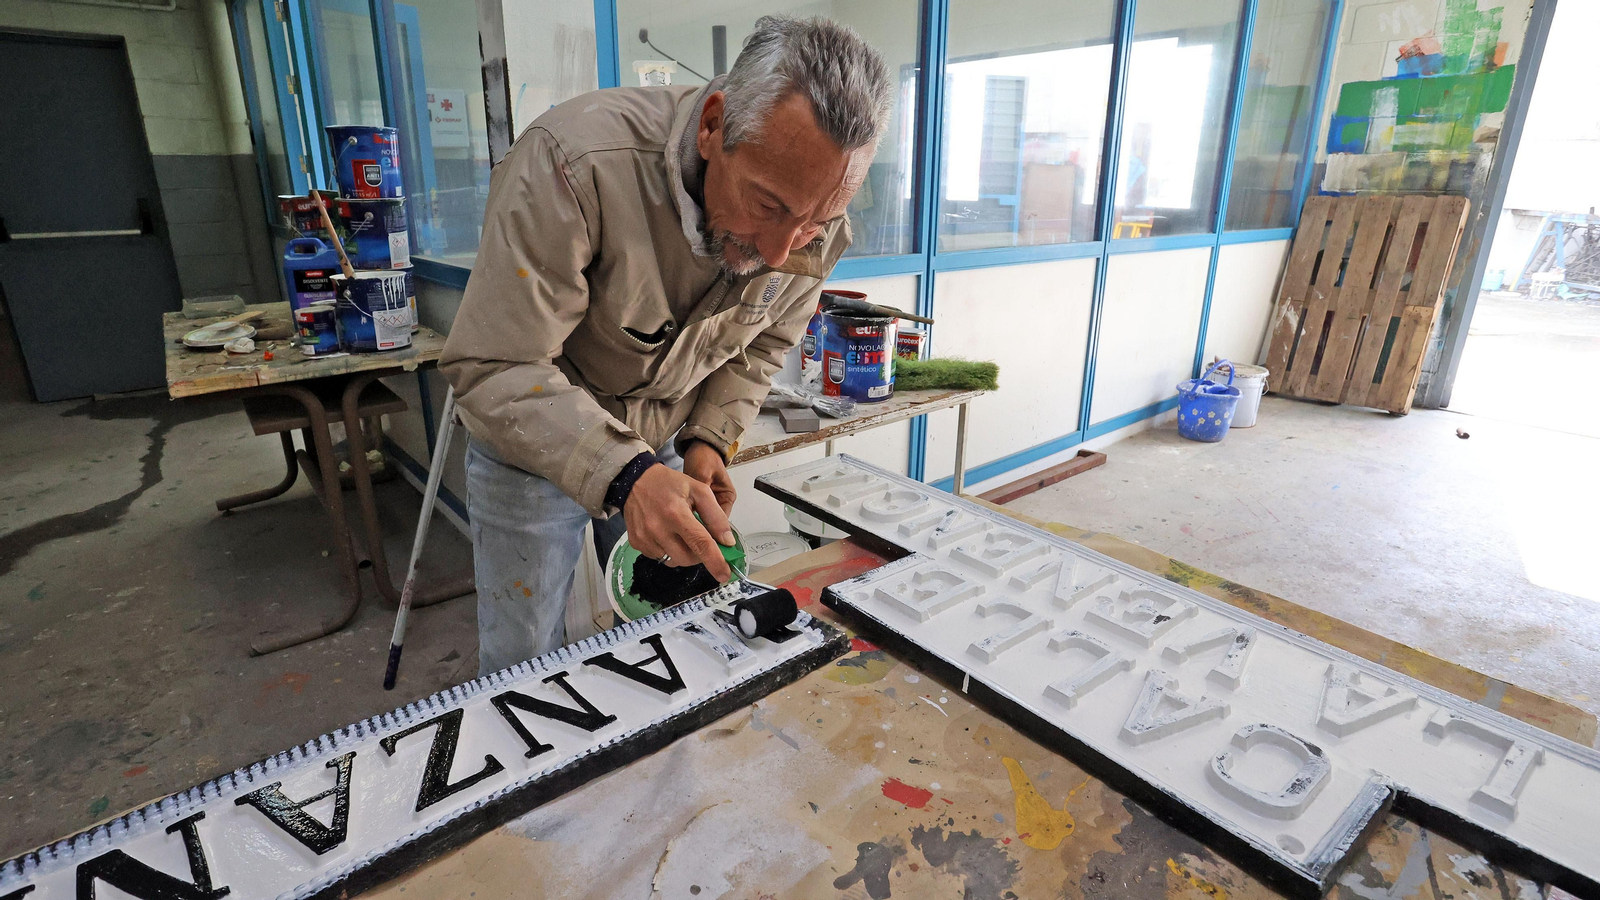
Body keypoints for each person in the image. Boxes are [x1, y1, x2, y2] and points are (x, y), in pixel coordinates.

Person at [439, 15, 893, 675]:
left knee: (677, 634)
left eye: (814, 222)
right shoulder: (573, 164)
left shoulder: (808, 221)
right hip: (531, 441)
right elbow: (495, 365)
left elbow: (760, 346)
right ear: (713, 126)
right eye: (767, 206)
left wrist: (708, 440)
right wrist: (627, 476)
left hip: (661, 440)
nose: (780, 250)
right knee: (521, 663)